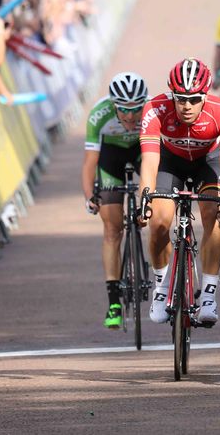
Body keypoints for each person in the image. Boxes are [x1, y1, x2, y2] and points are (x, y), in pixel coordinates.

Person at [138, 58, 220, 326]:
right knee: (158, 222)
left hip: (209, 161)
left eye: (194, 99)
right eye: (180, 98)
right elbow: (149, 162)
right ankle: (161, 287)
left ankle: (208, 295)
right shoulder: (154, 109)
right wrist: (144, 201)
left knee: (214, 215)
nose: (186, 106)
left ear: (205, 96)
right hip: (171, 163)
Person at [82, 72, 148, 329]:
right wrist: (90, 197)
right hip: (110, 158)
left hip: (143, 151)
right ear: (113, 105)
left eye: (136, 110)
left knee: (160, 209)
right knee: (112, 229)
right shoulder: (99, 115)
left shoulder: (153, 111)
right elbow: (89, 164)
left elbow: (160, 158)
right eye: (123, 110)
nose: (131, 117)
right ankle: (114, 303)